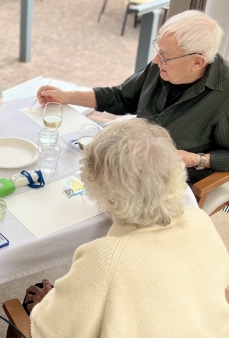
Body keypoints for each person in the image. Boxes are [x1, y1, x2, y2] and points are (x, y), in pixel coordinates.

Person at [26, 119, 229, 337]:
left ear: (99, 187)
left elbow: (50, 331)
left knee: (33, 302)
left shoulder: (105, 258)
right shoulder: (198, 220)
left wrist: (43, 304)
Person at [37, 10, 229, 182]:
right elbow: (121, 97)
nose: (155, 60)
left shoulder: (225, 93)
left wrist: (198, 159)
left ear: (197, 62)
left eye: (165, 55)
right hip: (131, 164)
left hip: (170, 182)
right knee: (60, 169)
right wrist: (66, 96)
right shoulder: (161, 67)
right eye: (158, 50)